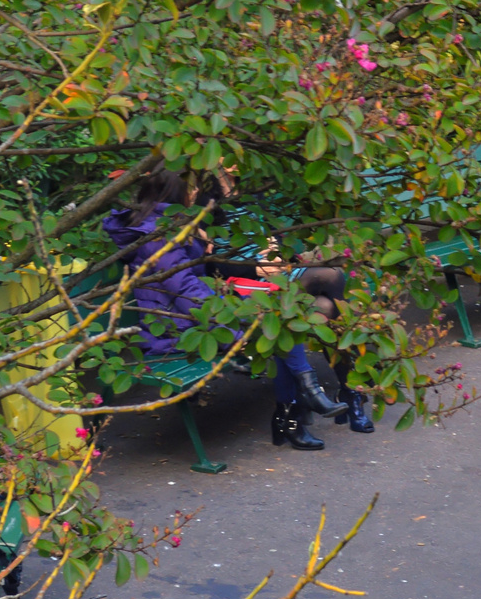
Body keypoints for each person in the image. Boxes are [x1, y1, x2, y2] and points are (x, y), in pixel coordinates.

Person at [102, 167, 349, 450]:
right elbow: (187, 293)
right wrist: (232, 328)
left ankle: (299, 404)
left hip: (196, 311)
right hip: (178, 328)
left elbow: (190, 283)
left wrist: (200, 240)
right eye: (190, 187)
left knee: (297, 310)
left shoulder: (167, 225)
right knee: (280, 317)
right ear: (173, 193)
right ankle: (302, 402)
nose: (195, 192)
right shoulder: (158, 236)